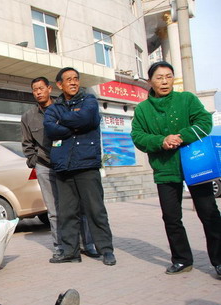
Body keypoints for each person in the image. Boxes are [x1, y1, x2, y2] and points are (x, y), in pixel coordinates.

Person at [131, 61, 221, 276]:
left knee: (209, 213)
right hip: (164, 168)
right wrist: (161, 141)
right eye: (159, 77)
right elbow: (138, 136)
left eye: (169, 76)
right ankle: (182, 260)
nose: (164, 81)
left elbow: (204, 121)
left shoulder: (186, 99)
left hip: (195, 165)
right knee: (171, 217)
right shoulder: (143, 109)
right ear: (150, 81)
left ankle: (219, 261)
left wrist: (181, 137)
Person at [43, 67, 116, 266]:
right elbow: (50, 128)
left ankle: (106, 250)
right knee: (67, 212)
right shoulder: (53, 107)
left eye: (76, 79)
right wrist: (74, 125)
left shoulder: (89, 101)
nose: (73, 82)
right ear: (60, 84)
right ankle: (70, 252)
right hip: (63, 167)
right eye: (68, 79)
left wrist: (64, 122)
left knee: (95, 210)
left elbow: (85, 118)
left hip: (86, 164)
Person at [21, 76, 99, 258]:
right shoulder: (28, 117)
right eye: (35, 90)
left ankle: (86, 244)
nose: (38, 92)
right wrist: (34, 161)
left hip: (68, 164)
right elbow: (27, 143)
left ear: (49, 89)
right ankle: (60, 247)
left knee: (78, 206)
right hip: (45, 166)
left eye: (41, 88)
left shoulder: (63, 107)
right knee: (54, 211)